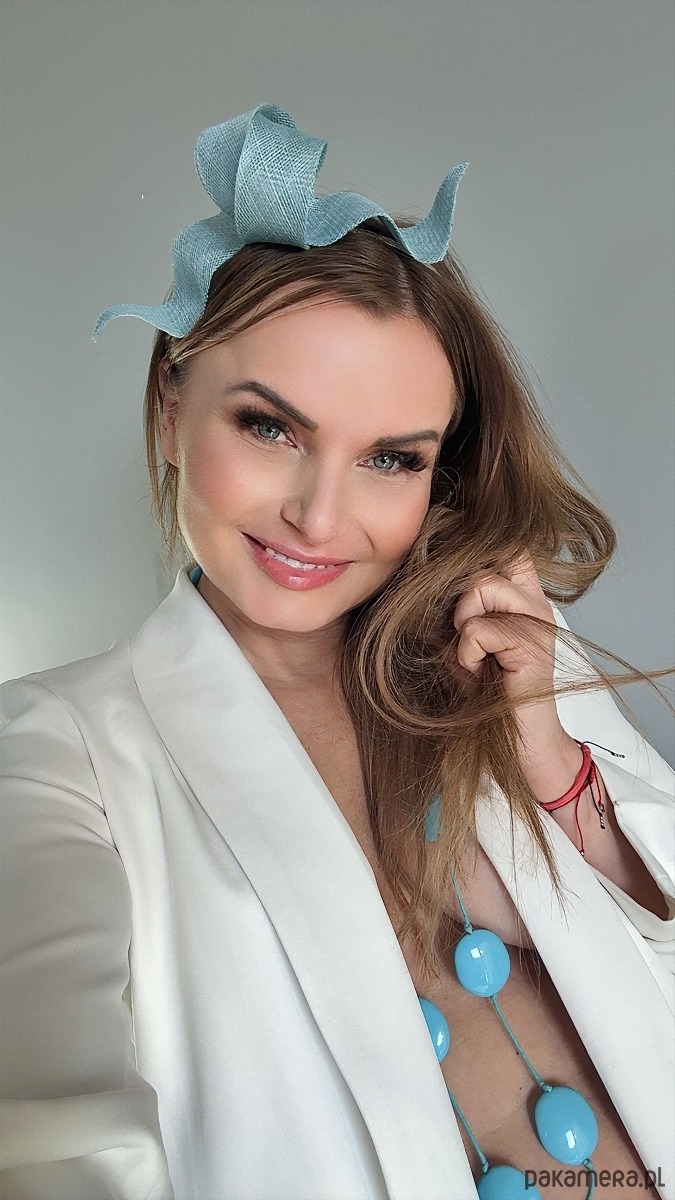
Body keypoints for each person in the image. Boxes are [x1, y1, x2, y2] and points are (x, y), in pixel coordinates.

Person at [0, 103, 673, 1200]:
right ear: (171, 407)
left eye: (391, 459)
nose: (319, 518)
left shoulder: (518, 666)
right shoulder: (52, 751)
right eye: (270, 428)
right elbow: (47, 1132)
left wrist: (553, 770)